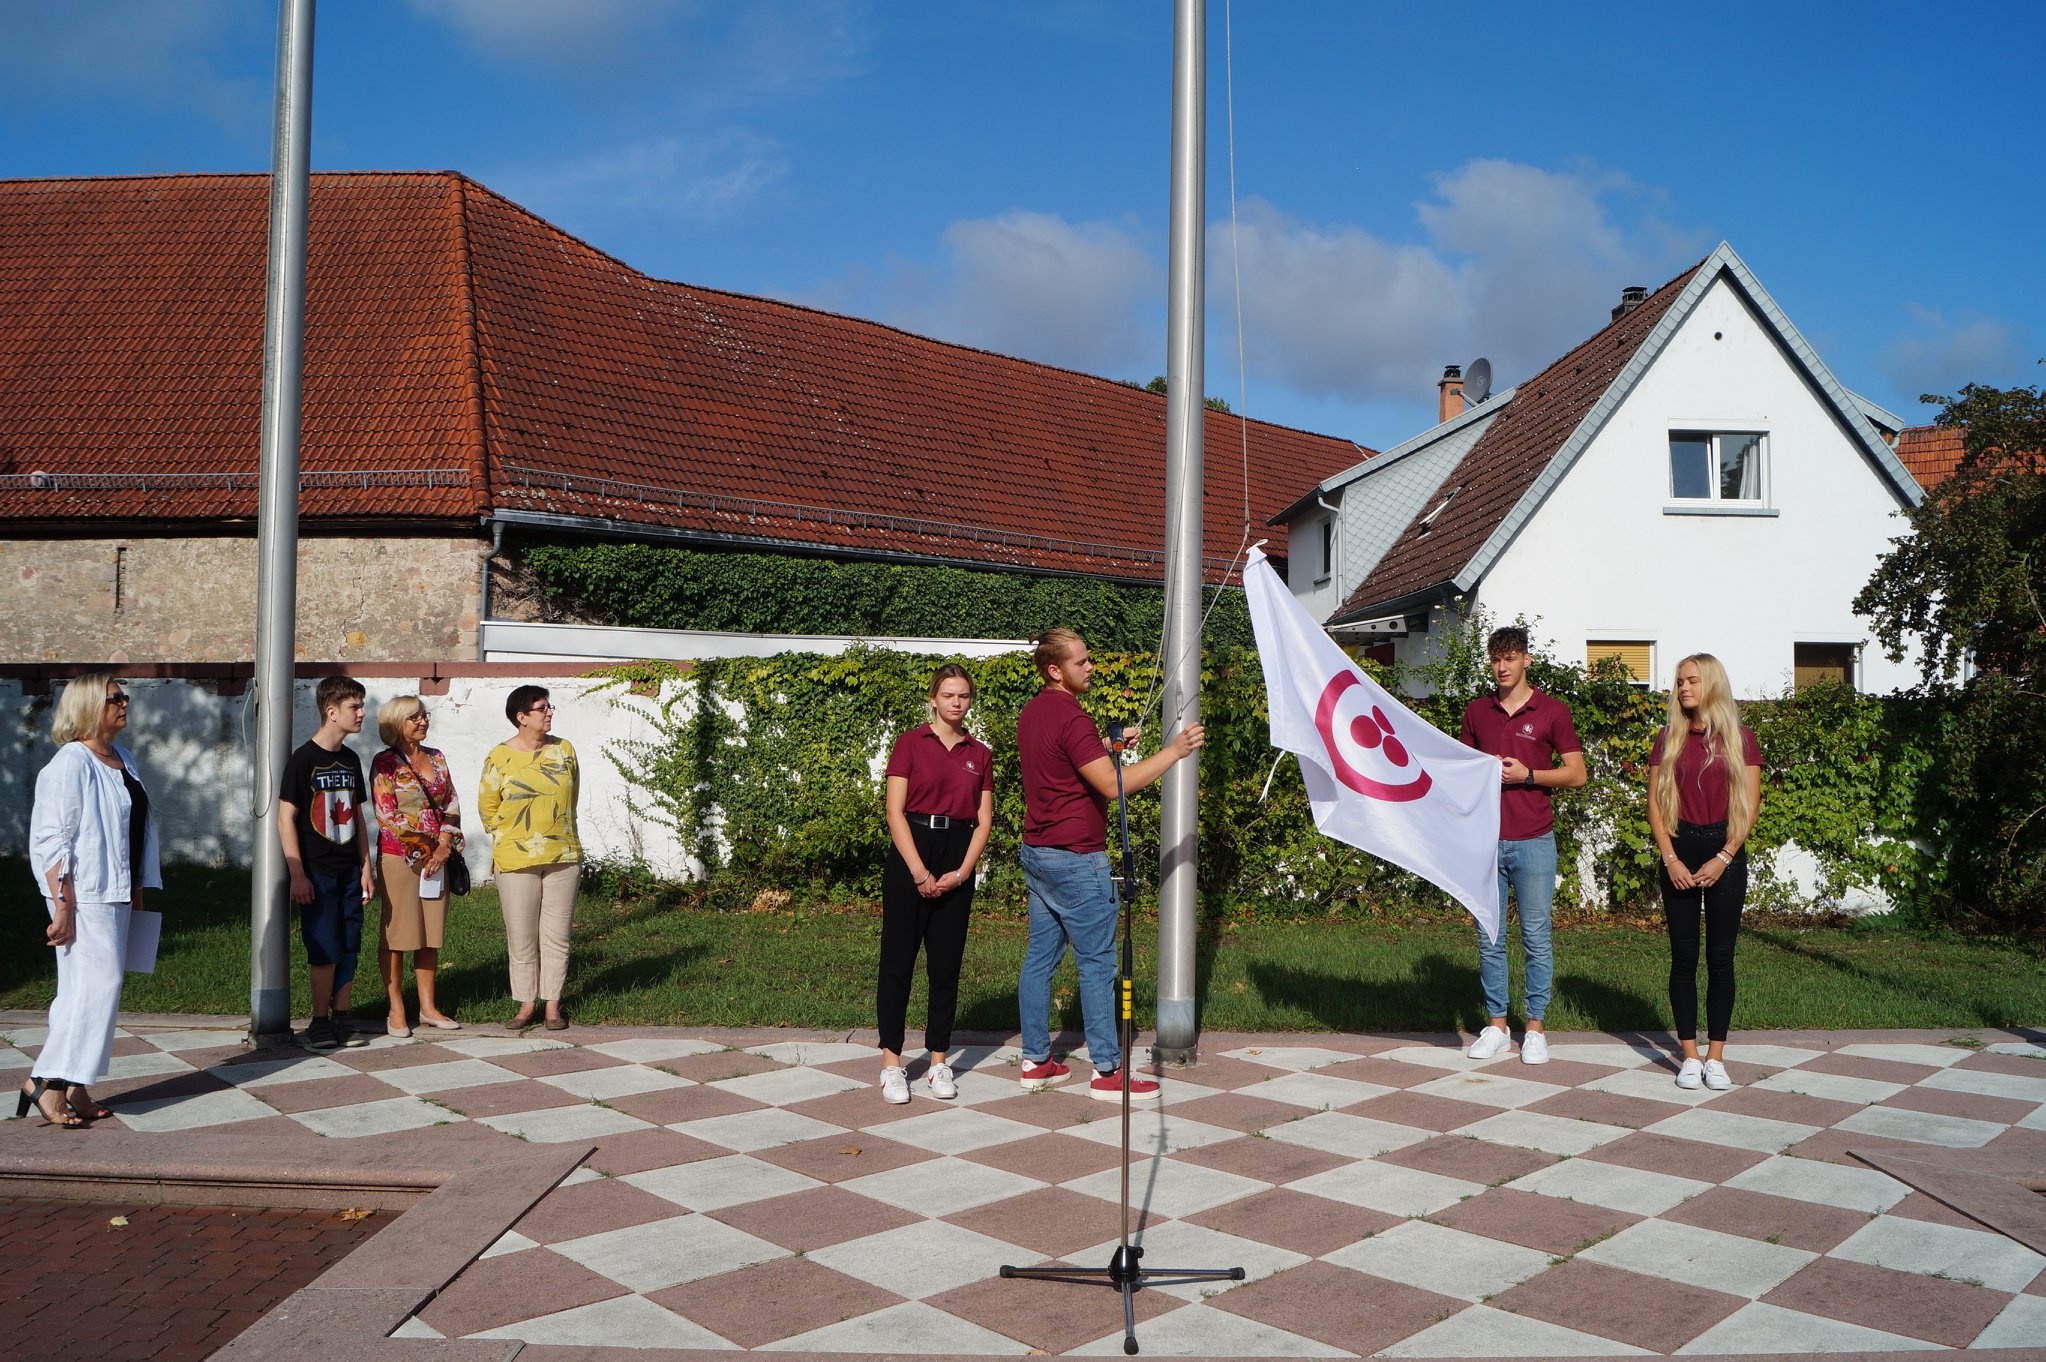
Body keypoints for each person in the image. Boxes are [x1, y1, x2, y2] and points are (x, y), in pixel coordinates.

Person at [1015, 629, 1204, 1101]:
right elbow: (1113, 787)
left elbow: (1065, 763)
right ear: (1054, 669)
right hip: (1077, 860)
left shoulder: (1034, 711)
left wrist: (1106, 746)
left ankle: (1036, 1061)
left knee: (1039, 959)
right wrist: (1173, 752)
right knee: (1098, 965)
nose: (1090, 667)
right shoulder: (1071, 717)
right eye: (1081, 662)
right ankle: (1107, 1071)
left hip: (1038, 853)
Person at [21, 675, 160, 1128]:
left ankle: (73, 1083)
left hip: (118, 890)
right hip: (84, 895)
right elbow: (50, 839)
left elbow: (133, 832)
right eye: (113, 698)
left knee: (95, 990)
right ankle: (50, 1082)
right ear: (87, 706)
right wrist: (62, 903)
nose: (124, 704)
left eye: (124, 696)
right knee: (93, 989)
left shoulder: (124, 758)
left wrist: (138, 889)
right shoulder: (70, 763)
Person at [1460, 627, 1586, 1065]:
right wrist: (1483, 769)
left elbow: (1577, 774)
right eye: (1496, 659)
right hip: (1488, 841)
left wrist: (1527, 776)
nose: (1502, 667)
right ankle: (1497, 1025)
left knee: (1536, 936)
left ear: (1527, 660)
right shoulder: (1477, 711)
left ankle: (1534, 1028)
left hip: (1534, 840)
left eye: (1510, 658)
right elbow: (1463, 770)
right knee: (1489, 937)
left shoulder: (1552, 711)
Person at [877, 664, 995, 1104]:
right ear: (933, 698)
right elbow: (894, 812)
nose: (956, 702)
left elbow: (984, 821)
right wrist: (919, 873)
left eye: (963, 695)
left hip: (957, 855)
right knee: (898, 963)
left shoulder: (979, 753)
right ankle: (892, 1064)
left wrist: (963, 872)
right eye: (948, 695)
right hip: (913, 849)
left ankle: (938, 1062)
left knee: (945, 967)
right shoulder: (910, 743)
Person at [1648, 654, 1763, 1090]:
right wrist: (1671, 858)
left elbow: (1749, 807)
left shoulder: (1741, 739)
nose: (1682, 689)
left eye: (1691, 681)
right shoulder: (1668, 739)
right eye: (1679, 682)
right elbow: (1655, 805)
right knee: (1683, 959)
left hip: (1725, 852)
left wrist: (1725, 857)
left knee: (1720, 958)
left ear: (1711, 684)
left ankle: (1716, 1056)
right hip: (1679, 848)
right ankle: (1690, 1056)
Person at [279, 676, 376, 1052]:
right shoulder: (303, 760)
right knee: (323, 946)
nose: (362, 713)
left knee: (350, 943)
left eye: (362, 705)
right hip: (317, 872)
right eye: (355, 706)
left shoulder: (351, 759)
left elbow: (357, 815)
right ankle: (319, 1021)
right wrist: (297, 873)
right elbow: (286, 817)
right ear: (331, 711)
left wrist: (367, 866)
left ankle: (342, 1015)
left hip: (350, 868)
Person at [479, 685, 581, 1030]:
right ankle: (525, 1004)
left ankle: (552, 1005)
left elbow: (572, 796)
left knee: (557, 934)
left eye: (550, 706)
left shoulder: (564, 750)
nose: (549, 712)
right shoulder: (499, 756)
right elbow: (488, 806)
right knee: (521, 934)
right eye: (542, 708)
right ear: (521, 717)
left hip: (562, 853)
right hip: (515, 857)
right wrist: (511, 837)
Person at [370, 696, 466, 1038]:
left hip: (437, 857)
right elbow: (387, 815)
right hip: (400, 858)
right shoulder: (384, 763)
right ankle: (396, 1007)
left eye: (424, 715)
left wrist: (443, 846)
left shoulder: (437, 758)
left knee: (429, 933)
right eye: (414, 717)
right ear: (397, 723)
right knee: (398, 934)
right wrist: (426, 850)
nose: (423, 721)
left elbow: (451, 803)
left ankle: (427, 1007)